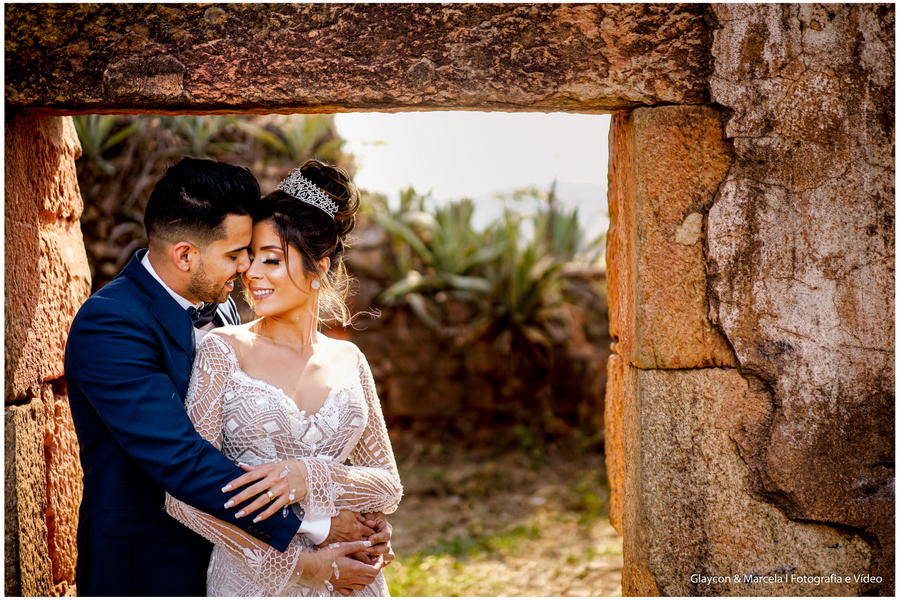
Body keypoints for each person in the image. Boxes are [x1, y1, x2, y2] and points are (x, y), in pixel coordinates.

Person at [64, 158, 376, 596]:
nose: (247, 267)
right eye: (235, 254)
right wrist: (316, 523)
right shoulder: (110, 324)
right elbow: (182, 457)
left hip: (236, 560)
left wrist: (362, 521)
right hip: (149, 567)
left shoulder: (223, 307)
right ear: (185, 255)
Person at [165, 159, 403, 596]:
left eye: (271, 260)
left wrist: (308, 476)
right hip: (255, 583)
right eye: (249, 257)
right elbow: (185, 498)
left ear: (320, 267)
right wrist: (300, 562)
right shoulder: (223, 351)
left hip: (354, 582)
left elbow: (388, 485)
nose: (251, 272)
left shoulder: (350, 360)